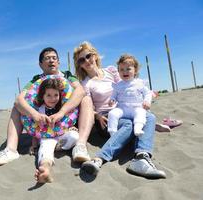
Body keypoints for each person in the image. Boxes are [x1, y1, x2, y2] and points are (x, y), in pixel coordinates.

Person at [0, 47, 93, 168]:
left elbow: (80, 91)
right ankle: (10, 150)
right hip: (42, 124)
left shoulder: (67, 75)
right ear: (40, 64)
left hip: (67, 119)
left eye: (54, 58)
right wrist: (34, 114)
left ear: (58, 62)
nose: (51, 61)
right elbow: (19, 100)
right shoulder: (36, 79)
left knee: (86, 99)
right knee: (17, 106)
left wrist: (62, 112)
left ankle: (80, 146)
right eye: (47, 58)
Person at [73, 41, 166, 179]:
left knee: (150, 118)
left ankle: (141, 157)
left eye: (88, 56)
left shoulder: (111, 71)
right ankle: (99, 159)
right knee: (128, 125)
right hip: (105, 118)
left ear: (95, 55)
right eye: (81, 60)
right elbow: (86, 107)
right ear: (79, 65)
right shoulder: (86, 83)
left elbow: (128, 85)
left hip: (124, 109)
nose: (86, 61)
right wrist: (97, 115)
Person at [33, 78, 79, 183]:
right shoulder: (40, 110)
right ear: (42, 96)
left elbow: (67, 121)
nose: (52, 98)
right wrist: (34, 144)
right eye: (48, 95)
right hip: (47, 137)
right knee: (46, 148)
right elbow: (35, 130)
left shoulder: (62, 107)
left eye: (55, 95)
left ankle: (58, 147)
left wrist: (70, 128)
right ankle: (45, 169)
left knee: (74, 136)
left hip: (61, 136)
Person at [108, 54, 152, 136]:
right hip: (122, 108)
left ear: (135, 70)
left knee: (141, 112)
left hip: (136, 107)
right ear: (118, 71)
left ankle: (138, 128)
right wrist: (112, 100)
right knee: (112, 113)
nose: (125, 72)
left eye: (128, 69)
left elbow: (147, 93)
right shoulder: (118, 85)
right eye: (121, 69)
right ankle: (112, 133)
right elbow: (114, 95)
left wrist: (147, 101)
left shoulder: (139, 83)